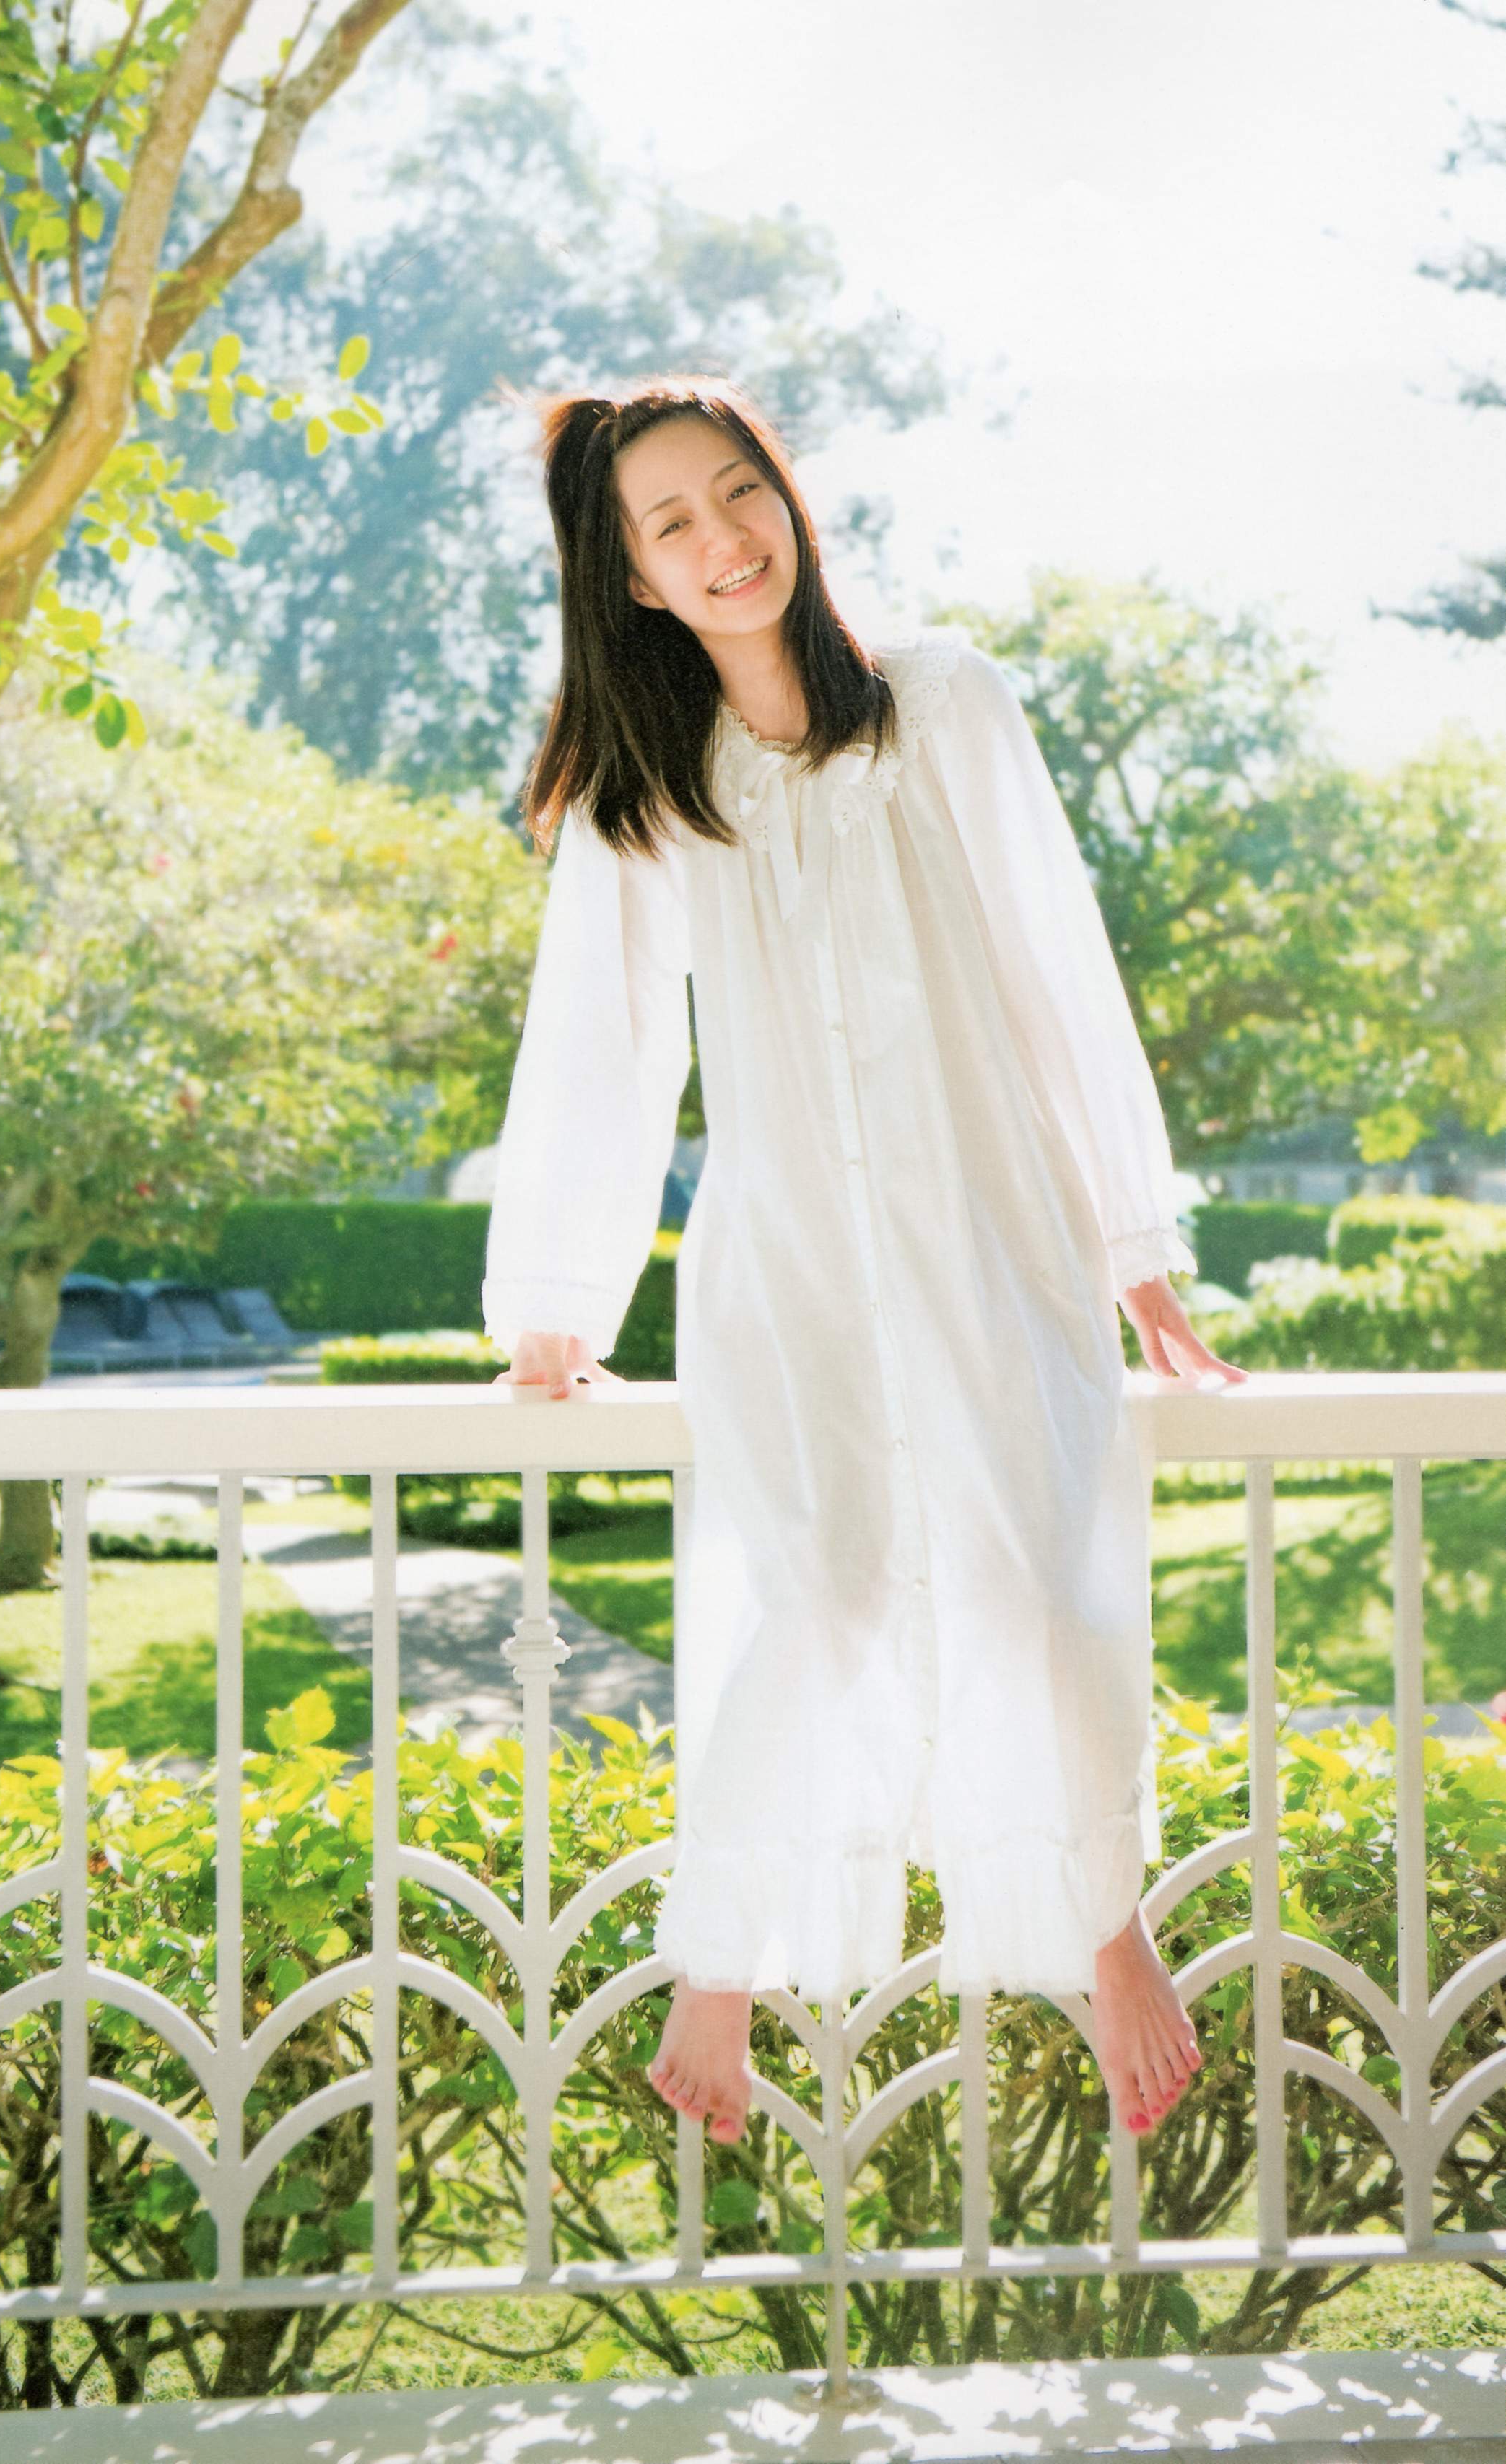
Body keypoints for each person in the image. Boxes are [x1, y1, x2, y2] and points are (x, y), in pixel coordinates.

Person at [480, 373, 1247, 2151]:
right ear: (635, 578)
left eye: (739, 490)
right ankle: (725, 1957)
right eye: (672, 524)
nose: (722, 538)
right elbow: (599, 1044)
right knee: (818, 1599)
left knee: (1034, 1588)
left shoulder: (946, 705)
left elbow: (1058, 974)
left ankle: (1099, 1923)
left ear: (789, 497)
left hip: (991, 1237)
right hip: (791, 1265)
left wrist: (1136, 1252)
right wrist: (556, 1311)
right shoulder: (652, 794)